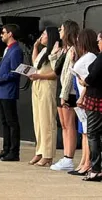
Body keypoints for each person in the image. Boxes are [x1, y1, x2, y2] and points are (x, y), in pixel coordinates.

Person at [50, 20, 79, 172]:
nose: (59, 32)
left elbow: (68, 75)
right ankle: (66, 156)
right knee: (63, 124)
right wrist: (54, 54)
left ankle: (69, 157)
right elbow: (57, 70)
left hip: (67, 91)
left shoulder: (73, 49)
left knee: (69, 124)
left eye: (61, 29)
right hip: (61, 89)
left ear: (67, 31)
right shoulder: (65, 49)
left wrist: (64, 94)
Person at [0, 24, 24, 161]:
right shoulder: (8, 50)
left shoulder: (16, 50)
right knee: (5, 122)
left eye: (3, 32)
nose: (1, 35)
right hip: (3, 91)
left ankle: (14, 151)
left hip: (9, 91)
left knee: (12, 122)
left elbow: (15, 73)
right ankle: (6, 148)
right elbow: (5, 69)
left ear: (10, 34)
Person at [28, 27, 60, 167]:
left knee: (47, 120)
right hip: (37, 85)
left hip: (47, 85)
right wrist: (35, 47)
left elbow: (55, 73)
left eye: (44, 34)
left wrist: (39, 76)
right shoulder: (43, 50)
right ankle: (39, 151)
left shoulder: (55, 51)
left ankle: (48, 154)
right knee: (38, 120)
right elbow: (36, 64)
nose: (41, 36)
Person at [69, 29, 98, 176]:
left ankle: (88, 163)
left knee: (89, 131)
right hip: (82, 95)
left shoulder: (91, 57)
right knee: (85, 132)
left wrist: (83, 97)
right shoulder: (86, 56)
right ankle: (84, 161)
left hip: (86, 97)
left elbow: (90, 80)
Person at [78, 30, 102, 182]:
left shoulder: (101, 57)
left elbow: (93, 76)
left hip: (96, 98)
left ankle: (96, 168)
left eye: (100, 39)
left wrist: (84, 81)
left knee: (93, 133)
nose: (98, 42)